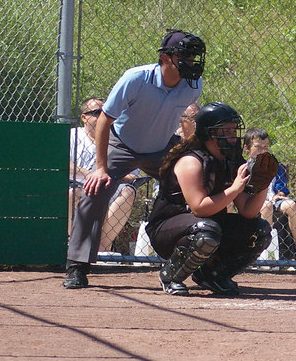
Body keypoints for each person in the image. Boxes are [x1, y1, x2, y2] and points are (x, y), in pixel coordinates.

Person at [63, 29, 205, 289]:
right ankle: (77, 266)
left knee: (193, 189)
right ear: (165, 58)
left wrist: (187, 153)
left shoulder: (193, 85)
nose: (190, 63)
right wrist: (101, 167)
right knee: (94, 191)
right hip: (122, 145)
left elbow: (184, 124)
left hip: (162, 149)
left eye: (193, 57)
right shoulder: (136, 78)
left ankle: (188, 262)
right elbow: (105, 118)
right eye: (184, 56)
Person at [146, 102, 273, 296]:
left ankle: (213, 275)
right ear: (209, 134)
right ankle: (171, 276)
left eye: (233, 130)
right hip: (168, 231)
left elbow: (248, 211)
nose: (233, 136)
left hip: (209, 225)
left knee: (259, 230)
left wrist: (262, 184)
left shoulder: (231, 160)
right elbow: (199, 208)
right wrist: (235, 188)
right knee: (206, 229)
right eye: (226, 130)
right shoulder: (192, 161)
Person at [69, 97, 141, 254]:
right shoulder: (73, 136)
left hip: (110, 185)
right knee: (72, 193)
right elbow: (63, 164)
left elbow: (133, 175)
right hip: (77, 186)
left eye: (106, 112)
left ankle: (101, 248)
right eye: (96, 112)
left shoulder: (119, 139)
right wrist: (92, 176)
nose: (102, 116)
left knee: (128, 191)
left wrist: (108, 177)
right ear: (84, 117)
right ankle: (75, 245)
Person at [243, 127, 296, 260]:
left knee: (291, 205)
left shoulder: (274, 165)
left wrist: (279, 194)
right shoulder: (245, 167)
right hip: (255, 201)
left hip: (274, 199)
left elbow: (281, 186)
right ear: (247, 148)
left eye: (266, 147)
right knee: (267, 206)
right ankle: (265, 251)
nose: (263, 150)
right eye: (258, 147)